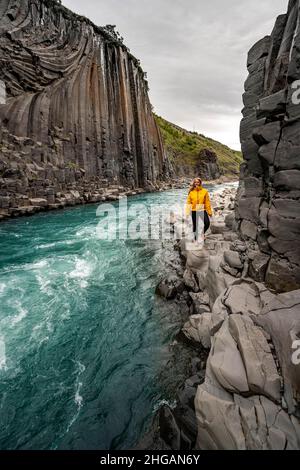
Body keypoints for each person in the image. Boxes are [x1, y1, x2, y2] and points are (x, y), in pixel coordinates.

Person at [185, 177, 213, 242]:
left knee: (207, 223)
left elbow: (207, 202)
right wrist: (187, 212)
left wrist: (209, 212)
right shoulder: (191, 192)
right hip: (194, 211)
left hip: (201, 210)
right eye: (195, 182)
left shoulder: (204, 191)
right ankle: (195, 239)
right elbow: (188, 203)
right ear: (194, 183)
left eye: (198, 182)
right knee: (195, 226)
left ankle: (202, 234)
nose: (196, 183)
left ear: (200, 183)